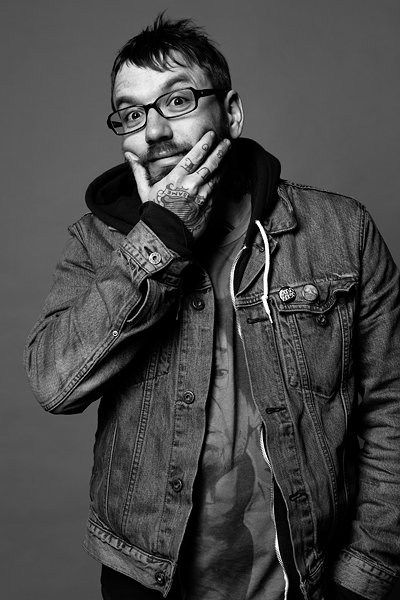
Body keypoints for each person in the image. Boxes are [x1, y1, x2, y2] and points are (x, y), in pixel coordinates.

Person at [24, 14, 400, 600]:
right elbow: (55, 385)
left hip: (309, 575)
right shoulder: (96, 244)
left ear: (232, 113)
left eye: (177, 101)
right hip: (147, 576)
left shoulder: (340, 230)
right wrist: (159, 239)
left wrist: (364, 575)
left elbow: (391, 409)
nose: (154, 131)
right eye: (131, 114)